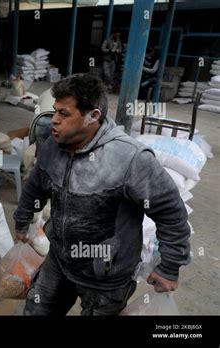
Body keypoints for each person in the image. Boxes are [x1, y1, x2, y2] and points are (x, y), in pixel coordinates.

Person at [13, 73, 191, 316]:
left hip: (106, 277)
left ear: (93, 116)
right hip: (59, 262)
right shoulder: (54, 145)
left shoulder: (130, 158)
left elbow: (170, 212)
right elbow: (36, 186)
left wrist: (169, 267)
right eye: (55, 111)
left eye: (64, 114)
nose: (53, 120)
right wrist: (23, 220)